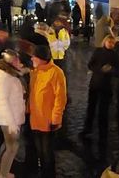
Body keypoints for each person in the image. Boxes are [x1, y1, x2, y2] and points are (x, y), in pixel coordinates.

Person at [28, 44, 67, 176]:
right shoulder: (35, 72)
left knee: (47, 153)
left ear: (42, 58)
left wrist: (56, 118)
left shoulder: (56, 72)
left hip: (48, 120)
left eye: (34, 57)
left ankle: (49, 174)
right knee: (40, 151)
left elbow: (60, 98)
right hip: (35, 118)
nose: (32, 58)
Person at [0, 49, 27, 178]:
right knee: (11, 148)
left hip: (13, 117)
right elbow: (4, 101)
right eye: (17, 60)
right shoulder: (4, 79)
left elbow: (21, 71)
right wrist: (12, 124)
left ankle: (0, 171)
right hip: (9, 119)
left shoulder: (10, 74)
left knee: (10, 146)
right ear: (10, 62)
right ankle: (3, 174)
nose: (20, 62)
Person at [83, 34, 119, 146]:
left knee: (103, 110)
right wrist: (100, 69)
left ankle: (103, 132)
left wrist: (111, 70)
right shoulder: (98, 52)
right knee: (91, 107)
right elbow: (90, 65)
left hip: (107, 85)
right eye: (109, 42)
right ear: (105, 42)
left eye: (112, 43)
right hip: (95, 84)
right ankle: (87, 129)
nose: (110, 44)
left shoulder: (115, 55)